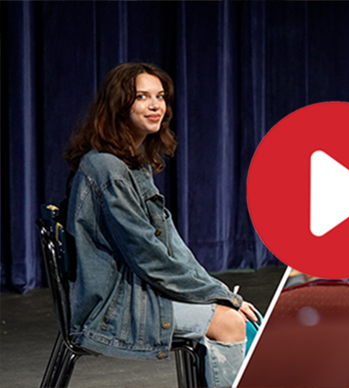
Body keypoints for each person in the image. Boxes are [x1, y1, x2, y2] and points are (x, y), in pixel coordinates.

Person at [63, 62, 257, 387]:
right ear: (119, 105)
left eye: (160, 96)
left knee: (252, 321)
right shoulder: (107, 169)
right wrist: (221, 298)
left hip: (138, 289)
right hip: (113, 304)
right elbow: (149, 257)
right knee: (231, 324)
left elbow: (172, 247)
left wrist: (218, 291)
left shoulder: (133, 164)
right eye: (142, 96)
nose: (156, 106)